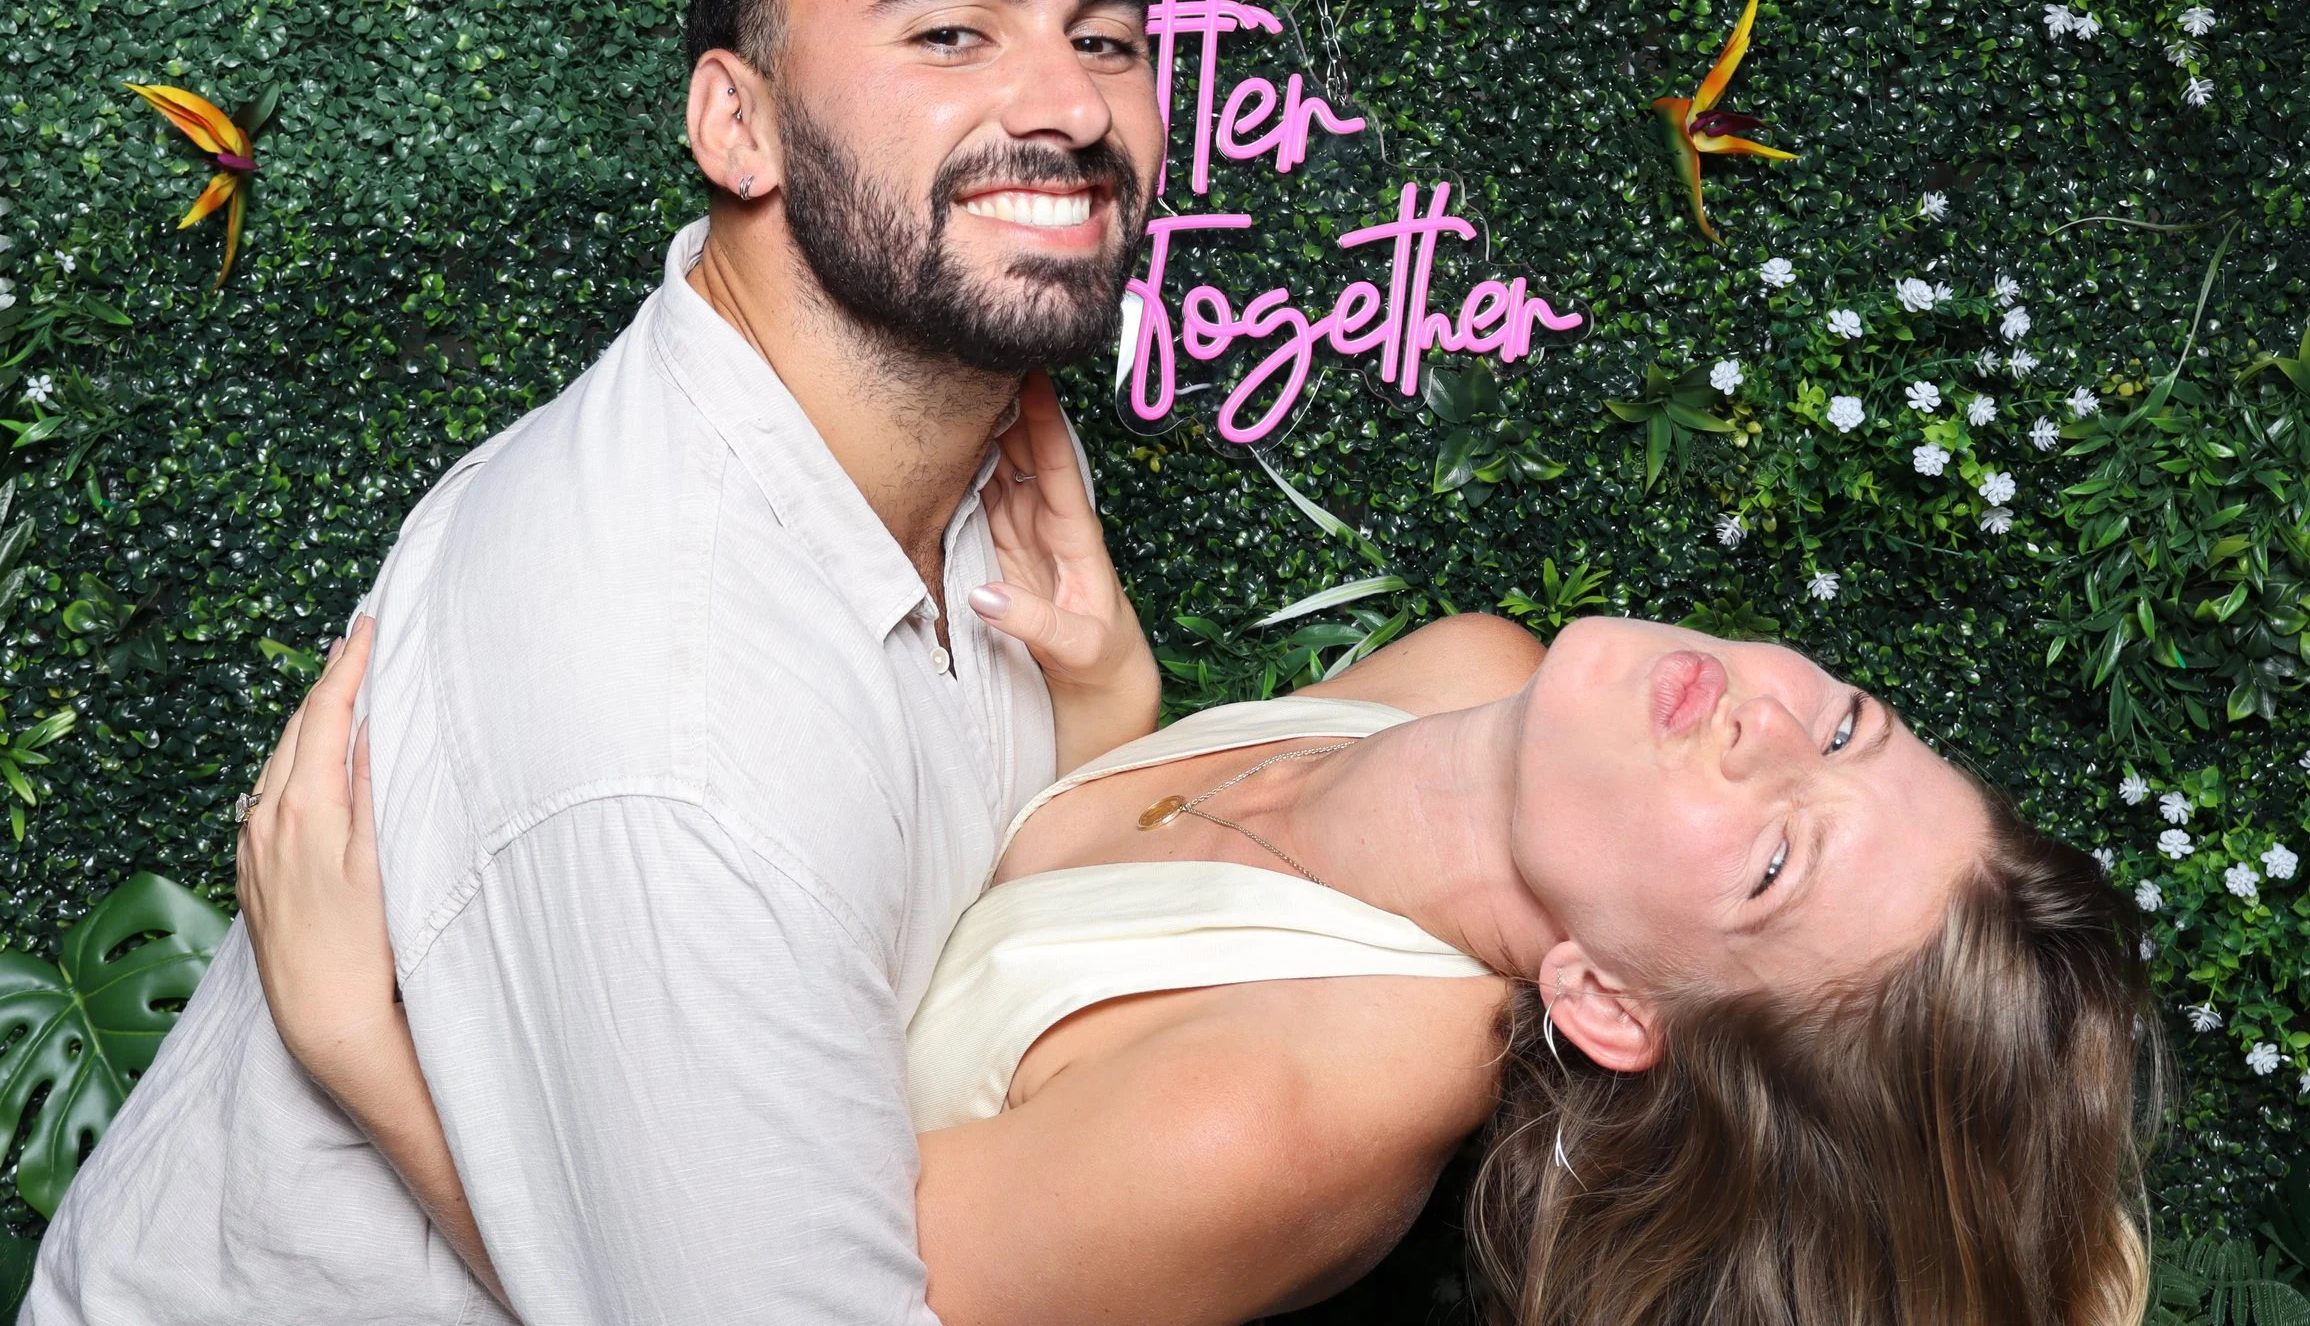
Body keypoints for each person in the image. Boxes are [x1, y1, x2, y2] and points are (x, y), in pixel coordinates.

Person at [28, 0, 1171, 1325]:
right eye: (953, 31)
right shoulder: (673, 713)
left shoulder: (975, 443)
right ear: (738, 124)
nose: (1069, 103)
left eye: (1106, 37)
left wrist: (1108, 713)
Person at [241, 476, 2162, 1326]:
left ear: (1604, 1001)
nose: (1760, 721)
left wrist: (362, 1045)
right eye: (1847, 718)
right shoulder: (1459, 674)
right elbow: (1071, 936)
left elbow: (723, 1299)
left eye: (1771, 854)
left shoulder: (1289, 1119)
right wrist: (1104, 703)